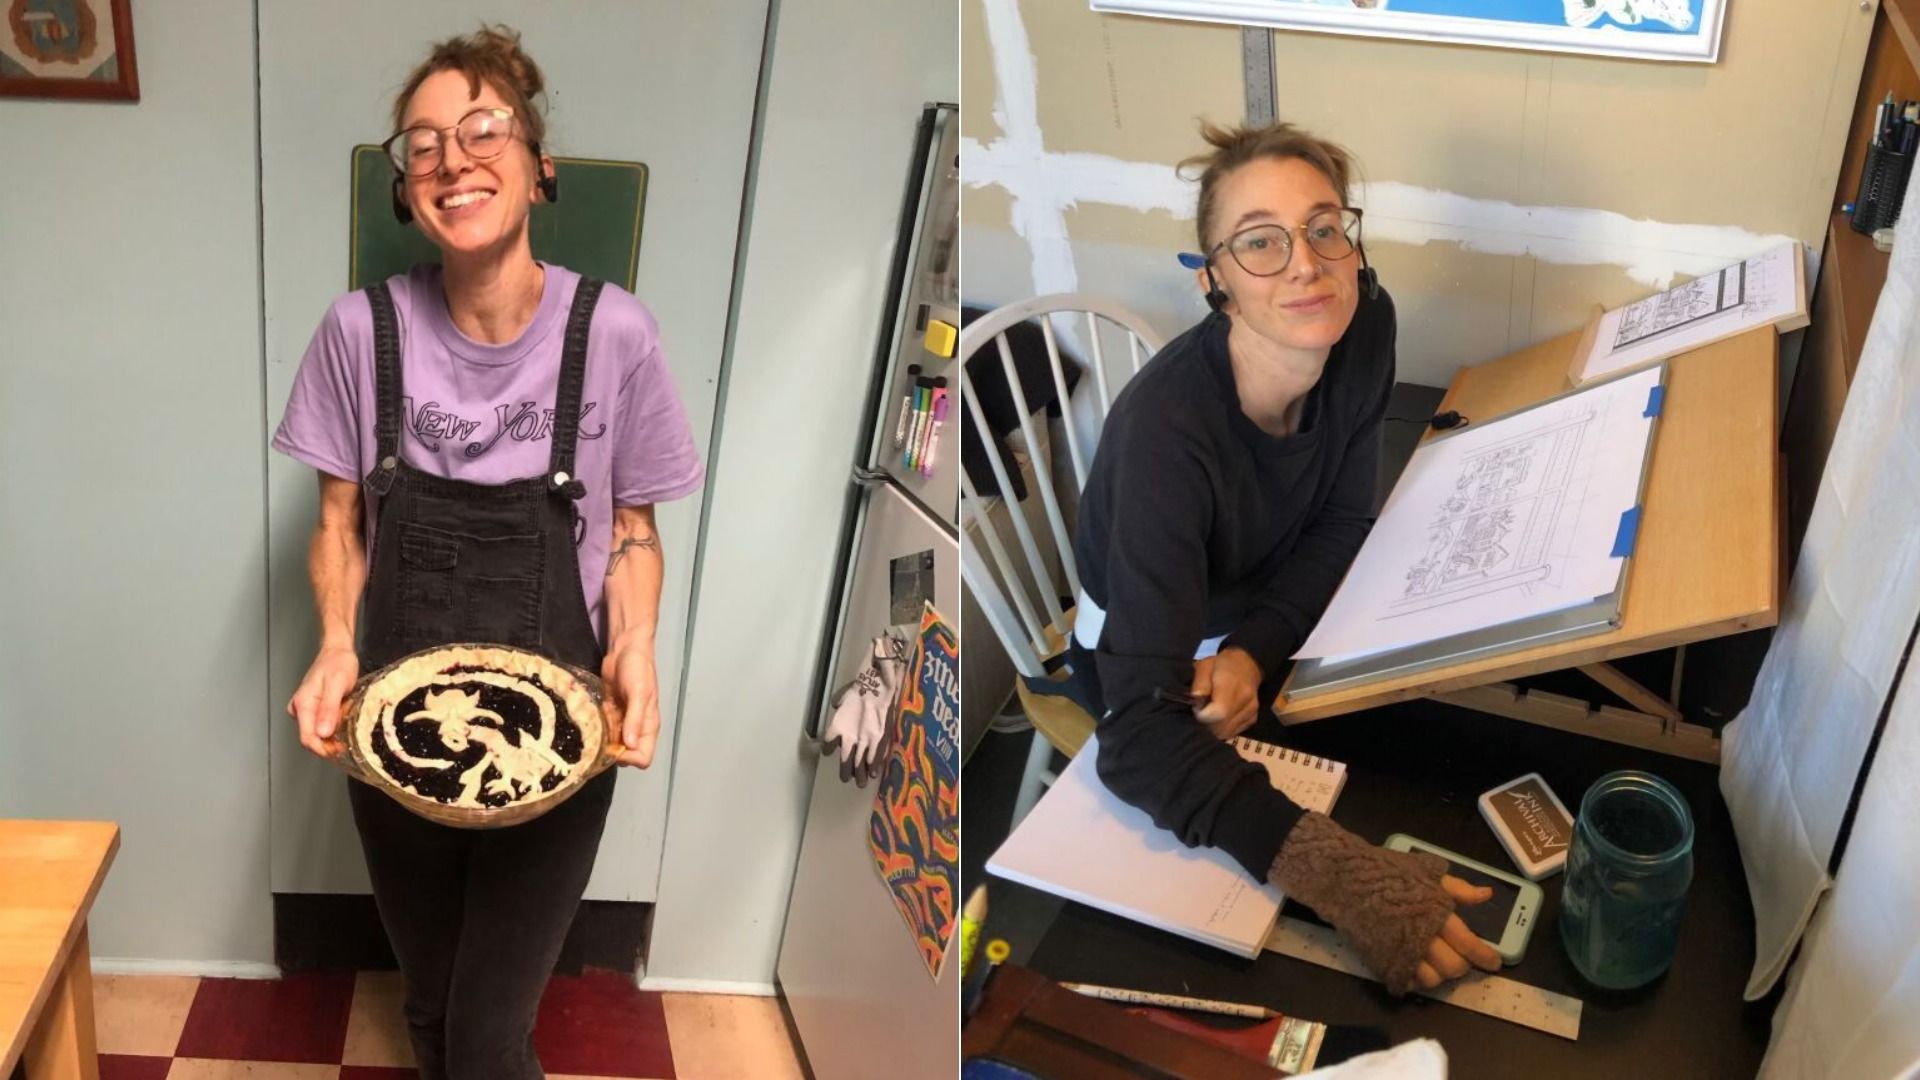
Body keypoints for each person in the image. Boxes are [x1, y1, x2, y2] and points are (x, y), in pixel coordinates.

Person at [272, 26, 703, 1079]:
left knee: (485, 1033)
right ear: (405, 188)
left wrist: (637, 645)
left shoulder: (617, 336)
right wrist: (335, 643)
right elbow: (338, 525)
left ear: (537, 165)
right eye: (421, 145)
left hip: (559, 747)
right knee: (429, 1004)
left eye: (482, 129)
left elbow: (635, 532)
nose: (451, 159)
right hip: (392, 740)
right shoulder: (355, 332)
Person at [1068, 120, 1502, 995]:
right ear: (1216, 280)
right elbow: (1138, 741)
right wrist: (1347, 879)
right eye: (1260, 242)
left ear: (1353, 247)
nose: (1305, 264)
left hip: (1255, 620)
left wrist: (1254, 649)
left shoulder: (1362, 326)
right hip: (1146, 662)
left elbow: (1341, 526)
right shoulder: (1166, 437)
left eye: (1324, 229)